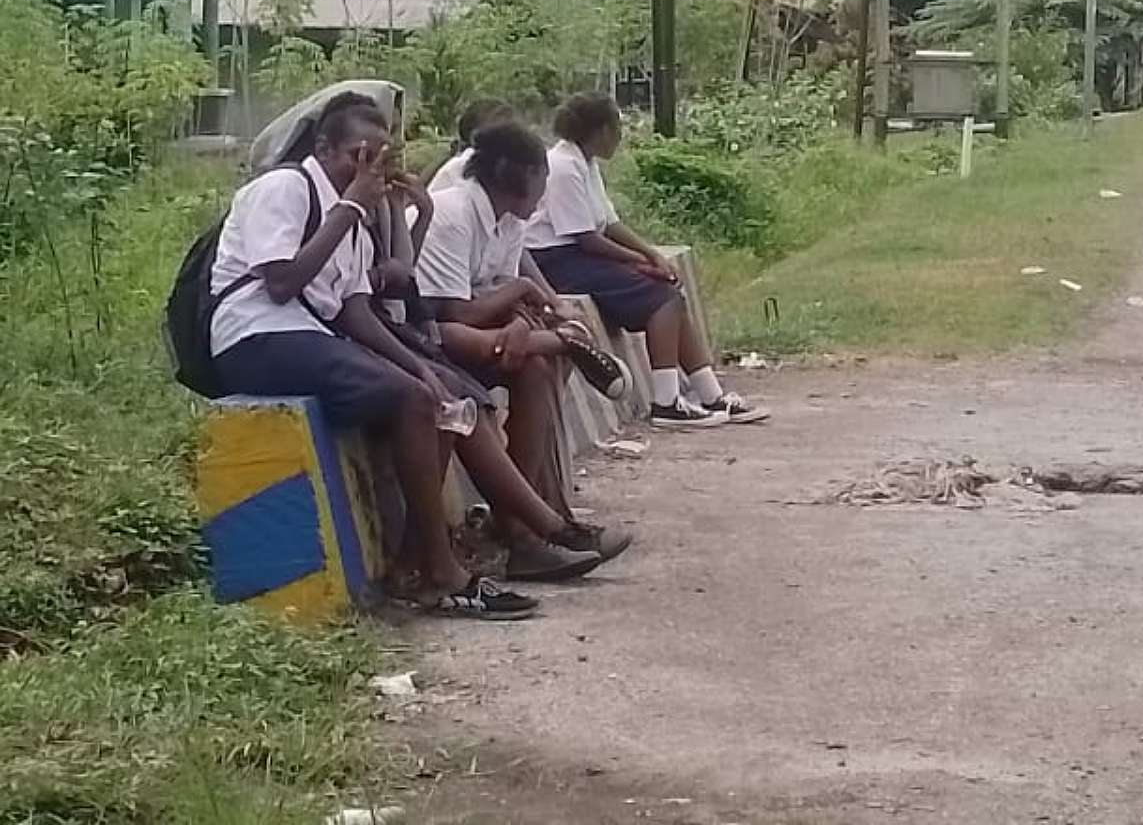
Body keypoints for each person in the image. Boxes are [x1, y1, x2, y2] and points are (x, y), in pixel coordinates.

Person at [209, 92, 620, 615]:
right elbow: (282, 283)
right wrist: (354, 204)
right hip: (256, 337)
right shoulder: (284, 189)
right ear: (323, 148)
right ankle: (450, 569)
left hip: (314, 336)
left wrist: (421, 368)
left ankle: (434, 562)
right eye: (359, 154)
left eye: (381, 157)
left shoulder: (353, 215)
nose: (371, 167)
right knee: (413, 400)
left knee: (435, 397)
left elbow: (357, 311)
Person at [416, 121, 638, 571]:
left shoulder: (509, 219)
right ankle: (528, 528)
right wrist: (519, 295)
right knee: (540, 352)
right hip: (435, 337)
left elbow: (502, 282)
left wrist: (526, 311)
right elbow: (454, 312)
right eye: (541, 175)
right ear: (516, 173)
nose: (544, 189)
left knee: (535, 370)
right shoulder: (452, 214)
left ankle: (529, 525)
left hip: (486, 332)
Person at [526, 92, 769, 429]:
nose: (620, 137)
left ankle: (710, 393)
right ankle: (666, 402)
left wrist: (651, 254)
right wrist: (635, 263)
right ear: (601, 131)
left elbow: (609, 223)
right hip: (557, 260)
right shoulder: (563, 167)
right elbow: (587, 237)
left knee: (671, 291)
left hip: (578, 253)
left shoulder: (586, 163)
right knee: (662, 299)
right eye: (617, 128)